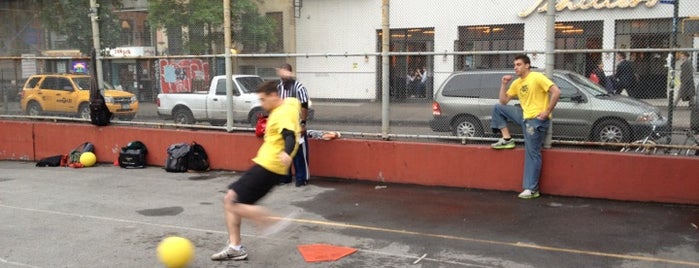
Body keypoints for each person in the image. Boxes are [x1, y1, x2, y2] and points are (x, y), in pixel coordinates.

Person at [211, 80, 301, 261]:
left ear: (274, 96)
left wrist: (287, 152)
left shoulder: (283, 112)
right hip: (266, 164)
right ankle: (235, 247)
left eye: (263, 99)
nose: (261, 104)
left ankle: (267, 219)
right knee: (230, 198)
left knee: (232, 202)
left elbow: (289, 136)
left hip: (269, 166)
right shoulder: (290, 104)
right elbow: (295, 102)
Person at [489, 54, 561, 199]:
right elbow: (503, 101)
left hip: (535, 120)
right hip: (524, 116)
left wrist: (547, 112)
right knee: (497, 108)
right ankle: (507, 139)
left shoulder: (537, 77)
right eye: (514, 65)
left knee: (532, 153)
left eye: (519, 64)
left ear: (527, 65)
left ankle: (532, 189)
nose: (515, 67)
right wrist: (503, 84)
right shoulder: (517, 83)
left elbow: (556, 92)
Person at [276, 63, 311, 187]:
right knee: (286, 150)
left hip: (296, 125)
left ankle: (302, 178)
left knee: (300, 153)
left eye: (285, 72)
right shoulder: (279, 87)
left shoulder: (299, 87)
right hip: (284, 125)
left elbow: (305, 105)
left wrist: (303, 123)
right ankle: (285, 177)